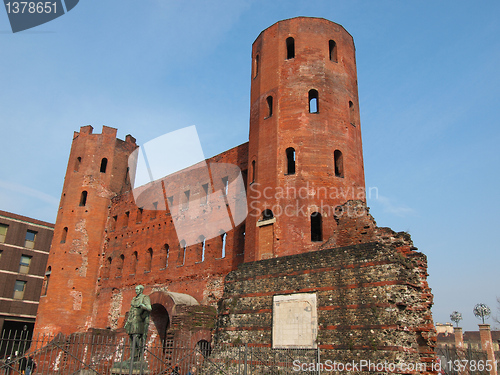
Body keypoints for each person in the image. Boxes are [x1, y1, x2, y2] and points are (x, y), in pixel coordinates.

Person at [124, 285, 152, 361]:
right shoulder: (134, 299)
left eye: (137, 289)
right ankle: (132, 356)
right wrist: (127, 321)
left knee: (136, 337)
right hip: (131, 320)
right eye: (135, 289)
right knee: (131, 338)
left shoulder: (144, 298)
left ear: (141, 290)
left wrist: (143, 306)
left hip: (139, 319)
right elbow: (131, 310)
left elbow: (149, 308)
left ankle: (140, 354)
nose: (136, 291)